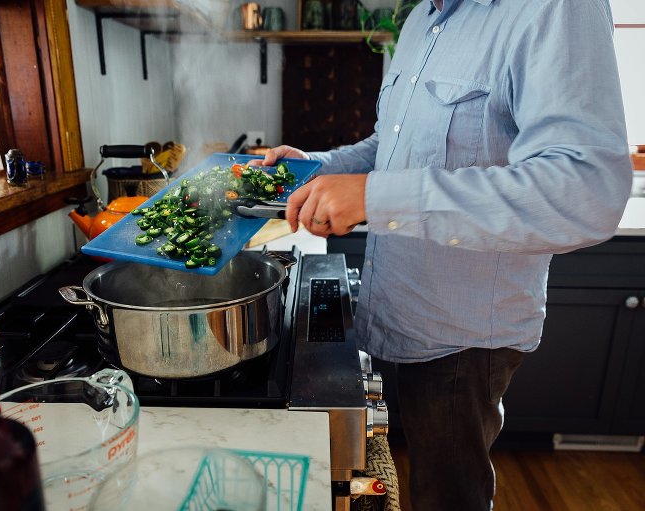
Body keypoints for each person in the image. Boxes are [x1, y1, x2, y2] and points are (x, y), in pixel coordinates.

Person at [257, 0, 633, 509]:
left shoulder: (555, 8)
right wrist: (317, 166)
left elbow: (584, 188)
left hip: (463, 338)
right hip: (398, 307)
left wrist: (372, 198)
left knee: (448, 497)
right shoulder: (421, 22)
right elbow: (389, 146)